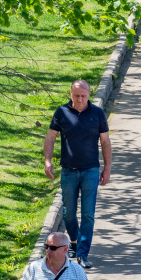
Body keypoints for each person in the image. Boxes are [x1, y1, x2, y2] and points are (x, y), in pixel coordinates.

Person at [44, 80, 111, 269]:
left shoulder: (97, 114)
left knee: (88, 214)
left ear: (89, 94)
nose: (80, 99)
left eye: (83, 96)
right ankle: (73, 239)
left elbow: (105, 142)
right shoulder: (62, 112)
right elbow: (50, 137)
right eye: (76, 96)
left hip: (90, 170)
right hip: (68, 171)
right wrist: (47, 161)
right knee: (69, 213)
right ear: (71, 94)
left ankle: (82, 253)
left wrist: (107, 168)